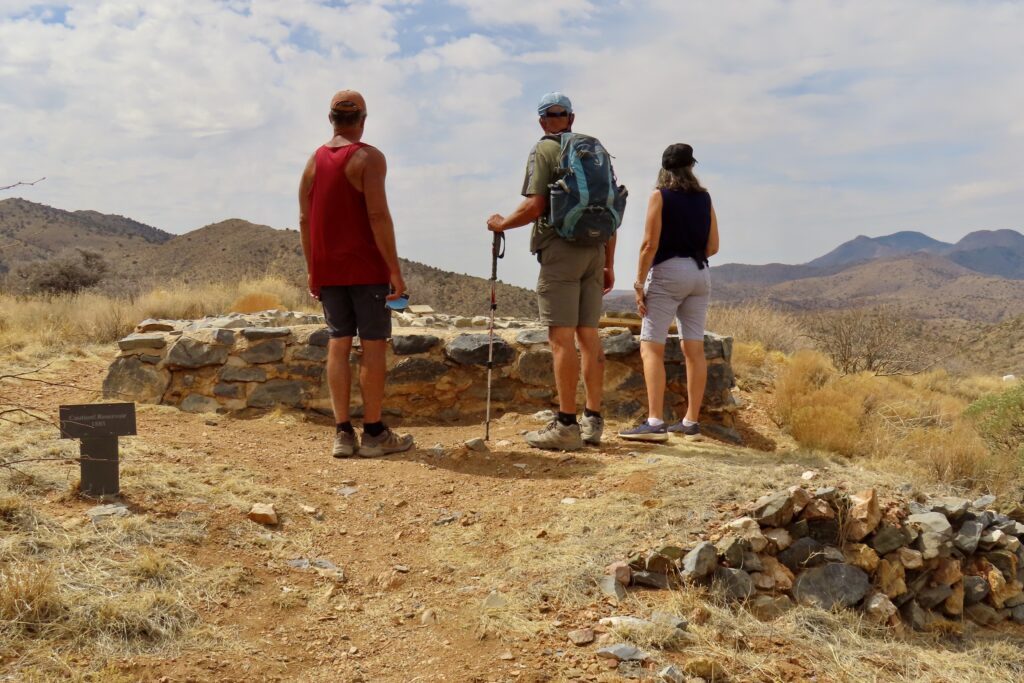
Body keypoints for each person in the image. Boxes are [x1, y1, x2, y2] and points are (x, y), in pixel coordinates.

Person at [487, 92, 615, 451]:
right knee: (588, 336)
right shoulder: (596, 150)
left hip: (561, 249)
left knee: (561, 339)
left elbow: (535, 204)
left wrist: (501, 224)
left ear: (542, 121)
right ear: (571, 118)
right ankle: (593, 421)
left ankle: (566, 425)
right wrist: (608, 263)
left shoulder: (544, 150)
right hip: (595, 249)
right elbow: (609, 210)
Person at [298, 90, 414, 458]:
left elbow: (304, 218)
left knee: (339, 341)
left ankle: (342, 433)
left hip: (328, 268)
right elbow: (378, 216)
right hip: (366, 268)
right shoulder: (368, 158)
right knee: (373, 345)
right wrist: (394, 270)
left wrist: (313, 268)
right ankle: (374, 433)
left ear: (330, 119)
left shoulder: (314, 161)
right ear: (363, 119)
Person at [618, 143, 719, 442]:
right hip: (700, 273)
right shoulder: (705, 198)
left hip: (668, 273)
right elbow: (713, 247)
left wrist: (639, 284)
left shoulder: (659, 196)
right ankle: (691, 422)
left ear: (664, 168)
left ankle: (654, 422)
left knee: (651, 346)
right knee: (694, 350)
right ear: (691, 166)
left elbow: (649, 244)